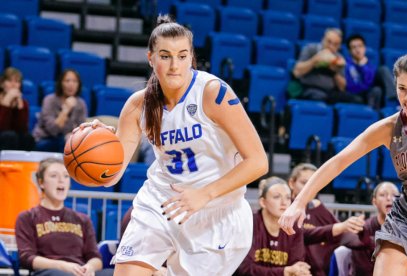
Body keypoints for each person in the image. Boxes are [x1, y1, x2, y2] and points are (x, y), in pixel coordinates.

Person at [77, 15, 268, 276]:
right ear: (151, 58)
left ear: (191, 57)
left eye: (182, 56)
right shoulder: (138, 105)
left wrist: (205, 194)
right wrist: (99, 145)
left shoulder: (213, 93)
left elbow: (258, 162)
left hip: (217, 212)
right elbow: (110, 177)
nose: (174, 65)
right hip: (161, 202)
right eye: (165, 56)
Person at [279, 54, 407, 276]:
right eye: (402, 88)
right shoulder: (389, 128)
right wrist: (299, 203)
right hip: (406, 216)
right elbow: (338, 161)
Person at [235, 176, 358, 276]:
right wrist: (284, 272)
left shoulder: (294, 227)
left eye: (288, 198)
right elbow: (244, 269)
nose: (284, 202)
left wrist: (295, 271)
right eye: (277, 197)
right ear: (263, 202)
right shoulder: (250, 223)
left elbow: (296, 265)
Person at [15, 158, 114, 276]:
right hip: (50, 272)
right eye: (54, 176)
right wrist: (62, 266)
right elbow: (27, 258)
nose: (61, 180)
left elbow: (95, 257)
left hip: (79, 271)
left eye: (66, 176)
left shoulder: (82, 219)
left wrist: (89, 267)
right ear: (41, 182)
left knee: (116, 273)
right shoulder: (27, 217)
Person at [288, 163, 365, 276]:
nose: (308, 188)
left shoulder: (319, 208)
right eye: (304, 183)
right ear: (291, 183)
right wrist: (339, 227)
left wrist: (365, 236)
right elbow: (303, 235)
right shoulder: (283, 209)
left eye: (313, 184)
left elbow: (343, 234)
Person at [293, 28, 359, 105]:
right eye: (329, 42)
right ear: (323, 39)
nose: (331, 46)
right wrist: (314, 60)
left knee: (356, 100)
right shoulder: (310, 49)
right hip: (309, 88)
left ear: (339, 47)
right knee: (319, 97)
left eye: (335, 44)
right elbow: (296, 72)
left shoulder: (339, 58)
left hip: (330, 92)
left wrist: (334, 71)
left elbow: (342, 88)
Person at [350, 181, 399, 276]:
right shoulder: (363, 230)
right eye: (383, 195)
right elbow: (362, 270)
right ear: (374, 201)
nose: (389, 198)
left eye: (394, 195)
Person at [33, 69, 87, 152]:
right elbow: (53, 130)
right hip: (44, 139)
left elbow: (82, 130)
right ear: (60, 83)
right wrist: (66, 110)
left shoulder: (81, 103)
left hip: (67, 141)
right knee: (65, 142)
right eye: (67, 81)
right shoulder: (49, 100)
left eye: (75, 81)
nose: (71, 84)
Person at [344, 34, 394, 110]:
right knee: (376, 90)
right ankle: (372, 115)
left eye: (360, 46)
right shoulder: (346, 65)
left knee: (383, 70)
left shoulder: (368, 64)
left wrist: (363, 66)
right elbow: (351, 87)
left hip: (369, 90)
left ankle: (395, 100)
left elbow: (370, 80)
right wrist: (361, 66)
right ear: (349, 51)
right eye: (354, 47)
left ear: (364, 48)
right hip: (357, 94)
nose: (358, 50)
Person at [0, 67, 35, 150]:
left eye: (17, 81)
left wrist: (20, 106)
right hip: (5, 137)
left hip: (13, 138)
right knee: (9, 136)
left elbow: (23, 130)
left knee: (28, 137)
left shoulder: (24, 103)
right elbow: (1, 127)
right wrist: (6, 103)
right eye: (9, 81)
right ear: (2, 84)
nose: (13, 84)